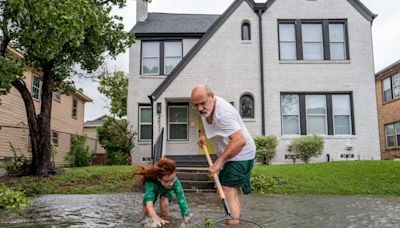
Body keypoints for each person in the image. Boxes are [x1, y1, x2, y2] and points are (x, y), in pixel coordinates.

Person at [191, 84, 256, 225]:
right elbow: (205, 120)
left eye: (202, 103)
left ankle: (232, 224)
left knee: (226, 192)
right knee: (231, 193)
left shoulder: (223, 114)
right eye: (195, 105)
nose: (200, 108)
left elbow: (239, 141)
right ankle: (236, 221)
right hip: (231, 154)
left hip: (241, 154)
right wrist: (202, 135)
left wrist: (218, 163)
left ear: (212, 96)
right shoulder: (205, 109)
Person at [135, 157, 191, 227]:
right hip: (155, 188)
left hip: (167, 190)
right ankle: (143, 221)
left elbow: (182, 199)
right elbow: (149, 202)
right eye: (167, 181)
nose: (171, 184)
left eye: (173, 179)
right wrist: (155, 217)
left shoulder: (175, 182)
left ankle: (165, 221)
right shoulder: (151, 183)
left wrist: (186, 216)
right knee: (146, 210)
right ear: (159, 178)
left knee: (164, 203)